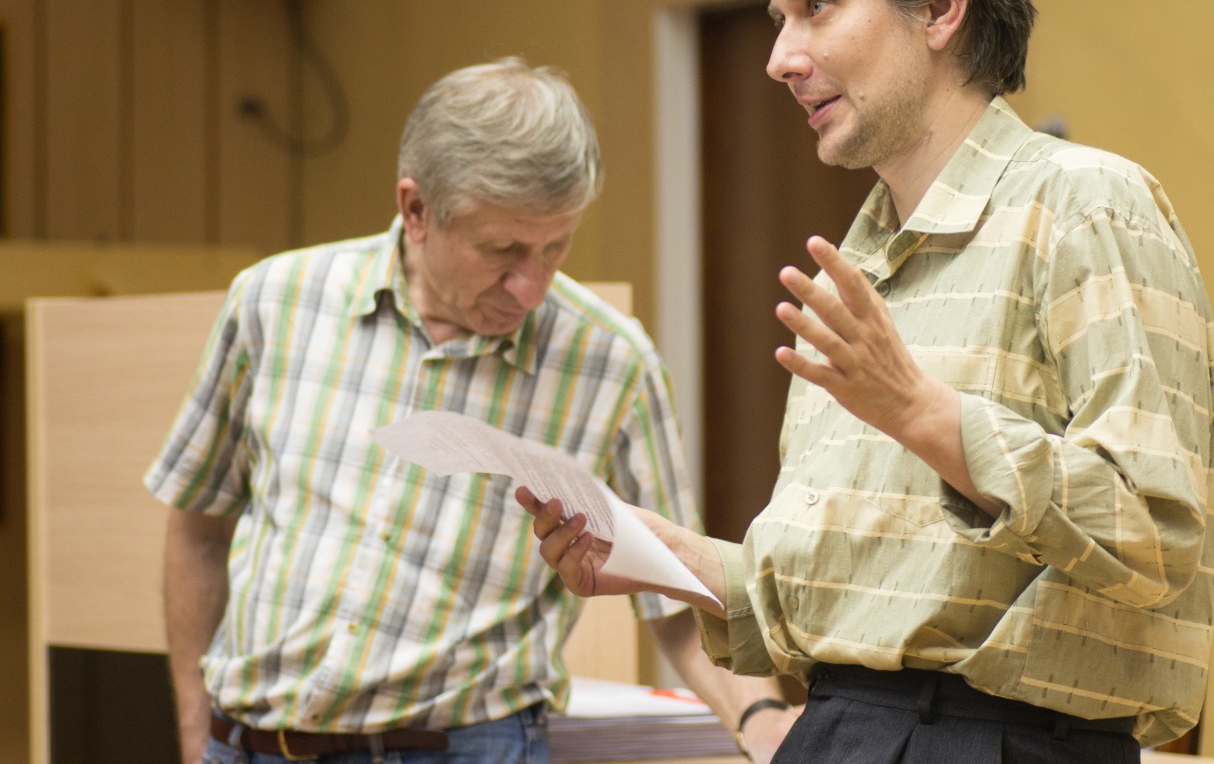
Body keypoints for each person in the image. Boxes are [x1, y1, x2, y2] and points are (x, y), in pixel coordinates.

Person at [518, 0, 1214, 764]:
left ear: (938, 8)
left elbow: (1153, 533)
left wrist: (926, 415)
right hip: (842, 726)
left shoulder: (1087, 203)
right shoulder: (858, 256)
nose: (780, 57)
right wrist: (672, 560)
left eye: (816, 7)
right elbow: (868, 601)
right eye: (779, 19)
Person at [147, 57, 795, 764]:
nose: (532, 287)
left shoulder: (611, 360)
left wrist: (760, 717)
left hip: (465, 747)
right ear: (416, 211)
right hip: (248, 744)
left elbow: (671, 595)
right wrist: (196, 738)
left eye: (555, 247)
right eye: (502, 251)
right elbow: (198, 531)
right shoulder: (274, 300)